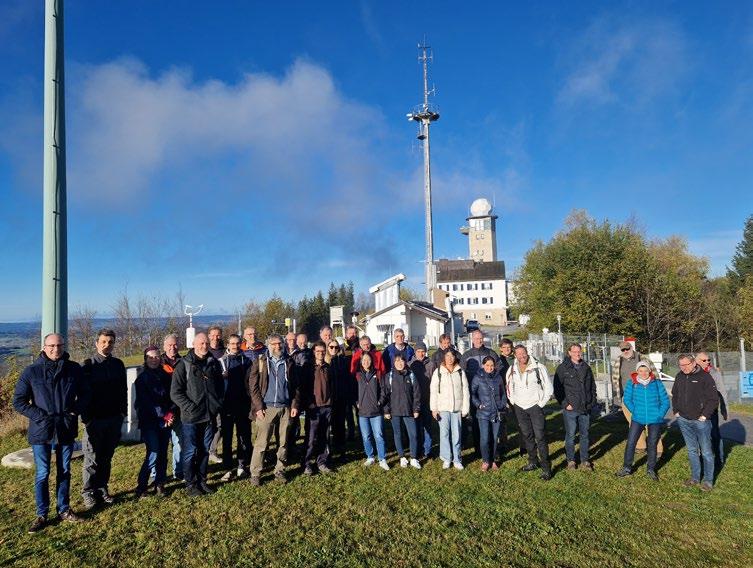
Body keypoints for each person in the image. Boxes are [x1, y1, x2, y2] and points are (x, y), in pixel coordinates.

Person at [13, 333, 89, 533]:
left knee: (65, 470)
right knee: (42, 473)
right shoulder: (31, 372)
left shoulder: (73, 369)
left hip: (65, 428)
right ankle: (42, 514)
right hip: (41, 431)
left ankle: (63, 509)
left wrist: (74, 411)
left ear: (63, 346)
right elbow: (19, 401)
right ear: (44, 347)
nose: (56, 349)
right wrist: (40, 416)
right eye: (51, 346)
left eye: (59, 345)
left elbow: (86, 394)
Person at [170, 332, 225, 497]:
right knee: (190, 451)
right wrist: (190, 407)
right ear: (194, 344)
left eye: (206, 343)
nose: (204, 346)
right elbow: (175, 392)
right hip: (191, 418)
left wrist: (216, 405)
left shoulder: (213, 363)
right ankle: (191, 484)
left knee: (204, 451)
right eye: (201, 343)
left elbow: (220, 387)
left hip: (209, 416)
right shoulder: (184, 365)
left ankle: (202, 481)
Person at [80, 329, 128, 509]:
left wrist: (123, 413)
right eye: (104, 342)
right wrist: (87, 419)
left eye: (111, 342)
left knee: (107, 457)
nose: (107, 345)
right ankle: (88, 492)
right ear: (96, 343)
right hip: (95, 420)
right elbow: (82, 395)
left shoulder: (117, 364)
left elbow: (124, 390)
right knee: (91, 458)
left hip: (114, 418)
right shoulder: (88, 365)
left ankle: (102, 488)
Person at [247, 334, 301, 486]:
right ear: (268, 345)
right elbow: (254, 386)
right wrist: (258, 407)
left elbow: (296, 387)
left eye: (280, 344)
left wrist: (295, 405)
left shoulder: (289, 362)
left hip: (285, 407)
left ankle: (280, 469)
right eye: (274, 344)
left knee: (283, 443)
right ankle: (256, 473)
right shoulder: (260, 361)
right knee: (261, 443)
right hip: (266, 408)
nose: (278, 346)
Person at [616, 361, 669, 481]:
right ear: (637, 371)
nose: (643, 373)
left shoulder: (656, 383)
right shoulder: (632, 383)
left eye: (646, 371)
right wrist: (635, 411)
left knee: (652, 443)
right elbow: (627, 399)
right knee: (631, 442)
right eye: (640, 371)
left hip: (654, 419)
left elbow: (665, 401)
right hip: (637, 418)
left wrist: (659, 414)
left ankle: (651, 469)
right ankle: (627, 468)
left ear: (649, 371)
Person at [506, 345, 553, 480]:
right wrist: (513, 401)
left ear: (527, 353)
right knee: (527, 435)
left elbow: (548, 388)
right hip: (520, 407)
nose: (522, 356)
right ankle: (533, 461)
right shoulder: (512, 369)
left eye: (523, 353)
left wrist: (540, 404)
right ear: (515, 355)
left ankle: (546, 468)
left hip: (535, 407)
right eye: (519, 354)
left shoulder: (539, 367)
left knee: (540, 436)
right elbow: (508, 387)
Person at [672, 354, 718, 491]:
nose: (684, 368)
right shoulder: (679, 376)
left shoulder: (705, 377)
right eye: (681, 365)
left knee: (706, 452)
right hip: (684, 420)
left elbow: (713, 399)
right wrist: (676, 412)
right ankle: (695, 478)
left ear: (693, 363)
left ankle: (708, 481)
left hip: (701, 421)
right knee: (692, 450)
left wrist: (704, 416)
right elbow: (675, 394)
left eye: (686, 364)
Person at [135, 347, 175, 498]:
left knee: (163, 453)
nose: (154, 360)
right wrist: (164, 415)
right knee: (153, 452)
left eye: (157, 357)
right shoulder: (142, 379)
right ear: (145, 359)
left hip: (165, 421)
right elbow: (146, 403)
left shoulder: (165, 376)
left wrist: (170, 413)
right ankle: (141, 486)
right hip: (150, 422)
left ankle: (160, 483)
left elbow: (172, 396)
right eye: (150, 357)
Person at [612, 340, 660, 456]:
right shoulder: (619, 360)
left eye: (627, 349)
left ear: (631, 348)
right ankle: (640, 446)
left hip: (645, 396)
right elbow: (615, 379)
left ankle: (657, 447)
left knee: (651, 422)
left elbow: (655, 375)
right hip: (627, 397)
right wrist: (618, 397)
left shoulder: (642, 358)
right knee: (633, 422)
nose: (625, 351)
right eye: (623, 350)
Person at [553, 343, 597, 471]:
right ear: (569, 352)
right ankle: (571, 460)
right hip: (571, 409)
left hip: (585, 407)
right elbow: (558, 389)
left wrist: (592, 401)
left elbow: (592, 386)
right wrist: (566, 404)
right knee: (571, 435)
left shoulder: (586, 367)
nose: (577, 354)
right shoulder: (563, 368)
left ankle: (585, 460)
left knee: (585, 435)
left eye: (579, 351)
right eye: (575, 351)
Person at [460, 330, 500, 456]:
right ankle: (479, 448)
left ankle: (492, 449)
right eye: (476, 338)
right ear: (472, 340)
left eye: (481, 338)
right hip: (474, 394)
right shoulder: (466, 355)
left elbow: (499, 368)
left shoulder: (491, 353)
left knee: (492, 422)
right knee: (476, 422)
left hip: (490, 394)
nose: (479, 341)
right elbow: (462, 373)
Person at [218, 334, 252, 481]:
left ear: (241, 344)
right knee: (227, 438)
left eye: (237, 343)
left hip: (243, 404)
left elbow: (252, 382)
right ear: (228, 344)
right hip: (226, 406)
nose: (235, 346)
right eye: (232, 343)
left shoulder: (248, 361)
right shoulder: (220, 362)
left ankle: (241, 466)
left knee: (243, 436)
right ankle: (227, 468)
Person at [430, 350, 470, 470]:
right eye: (447, 356)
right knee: (444, 434)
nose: (450, 358)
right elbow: (433, 391)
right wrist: (434, 408)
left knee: (457, 435)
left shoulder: (460, 372)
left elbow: (465, 391)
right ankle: (447, 458)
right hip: (443, 409)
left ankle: (457, 459)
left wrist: (465, 408)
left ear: (455, 358)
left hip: (457, 409)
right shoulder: (438, 372)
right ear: (444, 358)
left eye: (452, 356)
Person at [301, 341, 335, 475]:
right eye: (318, 351)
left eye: (322, 351)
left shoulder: (328, 367)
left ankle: (322, 462)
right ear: (313, 352)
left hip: (327, 407)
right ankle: (306, 463)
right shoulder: (308, 367)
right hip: (313, 408)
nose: (320, 353)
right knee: (310, 438)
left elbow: (332, 385)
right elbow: (303, 387)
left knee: (324, 436)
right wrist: (308, 404)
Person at [384, 354, 422, 469]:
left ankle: (414, 458)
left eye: (401, 361)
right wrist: (386, 410)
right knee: (398, 434)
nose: (399, 363)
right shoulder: (389, 376)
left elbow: (417, 393)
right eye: (397, 361)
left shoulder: (411, 375)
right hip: (394, 411)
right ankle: (402, 457)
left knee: (413, 434)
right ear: (393, 363)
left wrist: (416, 408)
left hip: (408, 410)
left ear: (405, 362)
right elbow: (385, 395)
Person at [471, 355, 507, 471]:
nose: (490, 368)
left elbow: (503, 393)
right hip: (483, 413)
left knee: (495, 437)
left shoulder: (498, 377)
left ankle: (494, 459)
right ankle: (486, 460)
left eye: (492, 365)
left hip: (496, 412)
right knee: (485, 438)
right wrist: (478, 404)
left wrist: (502, 404)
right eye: (487, 365)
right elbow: (473, 394)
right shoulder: (478, 377)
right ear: (483, 365)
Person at [355, 351, 389, 470]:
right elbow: (354, 391)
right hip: (363, 412)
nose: (366, 362)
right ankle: (370, 456)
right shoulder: (358, 375)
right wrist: (357, 402)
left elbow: (383, 390)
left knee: (378, 435)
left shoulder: (378, 374)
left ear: (372, 361)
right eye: (364, 360)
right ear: (361, 362)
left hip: (376, 412)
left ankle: (382, 458)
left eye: (368, 360)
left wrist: (379, 402)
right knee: (366, 436)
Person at [695, 352, 729, 469]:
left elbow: (722, 392)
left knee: (715, 434)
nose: (707, 362)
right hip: (696, 411)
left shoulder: (714, 373)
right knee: (699, 435)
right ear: (697, 361)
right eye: (704, 360)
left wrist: (725, 410)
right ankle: (701, 459)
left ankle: (719, 460)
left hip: (711, 410)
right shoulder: (692, 373)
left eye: (708, 360)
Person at [161, 334, 183, 481]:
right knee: (160, 447)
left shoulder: (183, 362)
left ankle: (178, 472)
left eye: (175, 345)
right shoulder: (157, 363)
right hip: (162, 412)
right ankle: (159, 476)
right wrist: (165, 412)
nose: (172, 347)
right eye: (169, 345)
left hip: (179, 410)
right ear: (164, 347)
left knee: (179, 443)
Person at [409, 342, 435, 459]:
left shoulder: (431, 364)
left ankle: (427, 450)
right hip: (415, 401)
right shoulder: (410, 364)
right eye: (419, 351)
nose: (421, 353)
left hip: (428, 399)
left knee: (428, 426)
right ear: (415, 352)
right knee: (417, 427)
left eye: (423, 351)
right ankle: (418, 449)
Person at [329, 339, 355, 457]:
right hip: (327, 399)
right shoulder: (323, 362)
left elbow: (348, 380)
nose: (334, 349)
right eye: (331, 347)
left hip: (340, 398)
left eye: (336, 347)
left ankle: (340, 449)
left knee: (339, 425)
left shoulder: (343, 362)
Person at [207, 325, 225, 464]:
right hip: (207, 397)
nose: (215, 338)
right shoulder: (204, 351)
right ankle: (204, 451)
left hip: (222, 395)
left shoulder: (225, 351)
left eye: (218, 335)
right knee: (208, 426)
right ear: (208, 336)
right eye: (213, 335)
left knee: (220, 425)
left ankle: (212, 451)